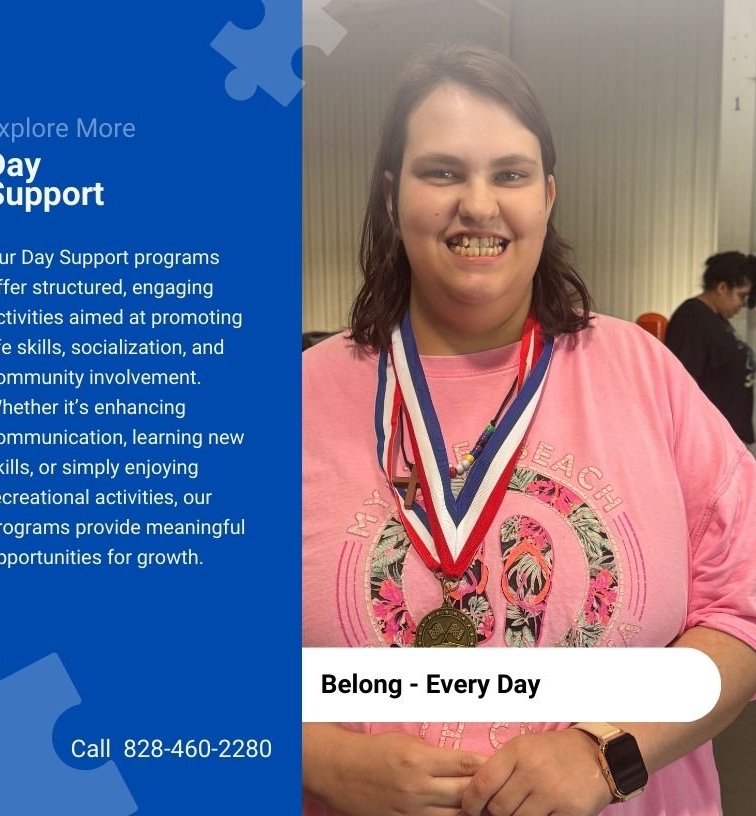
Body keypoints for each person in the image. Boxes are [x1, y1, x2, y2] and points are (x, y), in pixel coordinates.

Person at [303, 44, 756, 816]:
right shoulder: (299, 400)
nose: (478, 205)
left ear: (547, 195)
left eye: (509, 174)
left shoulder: (644, 376)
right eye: (442, 171)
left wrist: (608, 751)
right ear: (390, 195)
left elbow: (740, 612)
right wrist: (324, 759)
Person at [665, 252, 755, 443]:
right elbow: (682, 383)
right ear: (722, 287)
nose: (742, 305)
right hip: (709, 440)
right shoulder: (692, 318)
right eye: (741, 296)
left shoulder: (716, 320)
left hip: (727, 437)